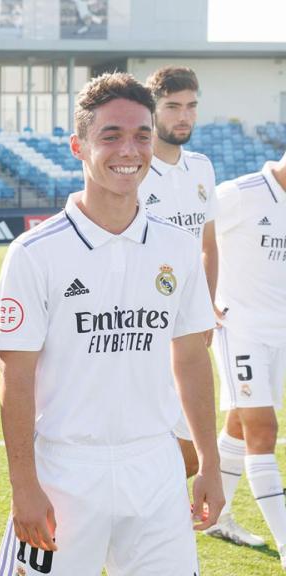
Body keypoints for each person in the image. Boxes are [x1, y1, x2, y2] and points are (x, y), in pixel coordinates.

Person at [0, 72, 222, 576]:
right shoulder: (34, 254)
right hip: (65, 470)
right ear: (79, 145)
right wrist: (23, 485)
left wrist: (208, 460)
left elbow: (190, 357)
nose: (129, 150)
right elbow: (17, 376)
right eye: (111, 135)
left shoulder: (178, 247)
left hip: (156, 469)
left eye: (142, 135)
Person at [137, 66, 225, 476]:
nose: (183, 116)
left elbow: (208, 245)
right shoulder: (132, 168)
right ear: (152, 111)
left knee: (191, 446)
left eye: (191, 106)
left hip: (189, 322)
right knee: (142, 433)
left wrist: (205, 307)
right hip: (141, 322)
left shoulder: (203, 167)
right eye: (172, 106)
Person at [206, 151, 286, 563]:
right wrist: (201, 296)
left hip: (278, 336)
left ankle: (216, 515)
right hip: (240, 330)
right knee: (262, 430)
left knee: (239, 424)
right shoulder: (241, 193)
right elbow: (189, 232)